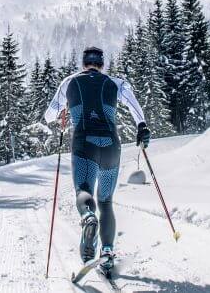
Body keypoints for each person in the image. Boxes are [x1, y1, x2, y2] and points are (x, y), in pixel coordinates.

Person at [44, 46, 151, 274]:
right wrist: (141, 126)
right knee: (106, 201)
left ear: (84, 63)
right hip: (111, 145)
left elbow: (49, 115)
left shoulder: (69, 83)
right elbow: (134, 107)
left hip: (84, 144)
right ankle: (108, 253)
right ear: (102, 64)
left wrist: (62, 111)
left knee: (84, 190)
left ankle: (88, 217)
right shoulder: (116, 83)